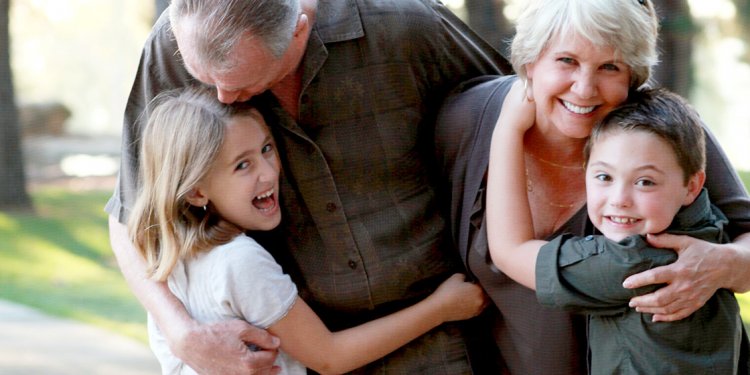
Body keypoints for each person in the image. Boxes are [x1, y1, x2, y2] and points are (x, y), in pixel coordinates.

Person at [106, 0, 512, 373]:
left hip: (437, 339)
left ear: (300, 29)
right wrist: (181, 335)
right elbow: (131, 213)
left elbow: (520, 115)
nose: (222, 97)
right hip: (298, 342)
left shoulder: (405, 24)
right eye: (202, 78)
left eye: (243, 82)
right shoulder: (176, 43)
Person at [434, 0, 750, 373]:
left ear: (633, 77)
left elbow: (511, 251)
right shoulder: (465, 121)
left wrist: (723, 263)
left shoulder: (660, 137)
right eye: (566, 60)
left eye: (609, 66)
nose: (584, 88)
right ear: (530, 60)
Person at [130, 86, 488, 375]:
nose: (268, 173)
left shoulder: (168, 262)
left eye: (267, 149)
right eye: (242, 165)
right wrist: (441, 308)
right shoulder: (239, 262)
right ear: (196, 191)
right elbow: (330, 357)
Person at [487, 86, 745, 374]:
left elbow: (510, 250)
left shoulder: (631, 263)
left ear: (692, 186)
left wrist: (508, 129)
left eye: (645, 182)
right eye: (604, 176)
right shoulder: (710, 226)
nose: (619, 199)